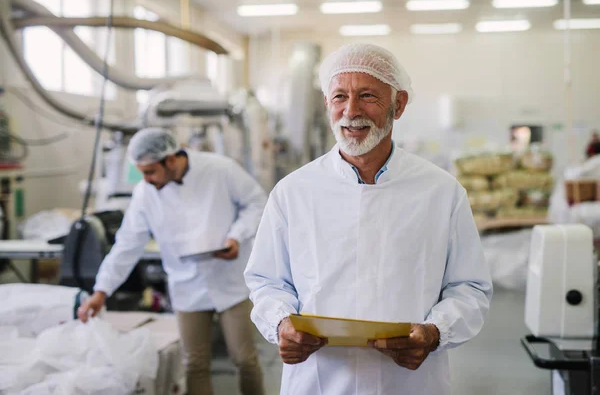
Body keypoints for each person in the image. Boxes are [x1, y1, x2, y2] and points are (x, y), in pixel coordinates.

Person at [244, 43, 493, 395]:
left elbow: (470, 287)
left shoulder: (441, 192)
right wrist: (281, 322)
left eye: (367, 96)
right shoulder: (293, 192)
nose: (351, 111)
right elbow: (267, 281)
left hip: (409, 379)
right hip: (319, 378)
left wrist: (435, 332)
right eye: (339, 97)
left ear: (399, 104)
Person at [78, 128, 266, 395]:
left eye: (150, 171)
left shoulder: (220, 169)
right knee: (194, 364)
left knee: (245, 360)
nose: (145, 179)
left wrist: (237, 236)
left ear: (170, 159)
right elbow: (127, 244)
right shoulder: (145, 193)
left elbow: (257, 204)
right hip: (186, 284)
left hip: (230, 279)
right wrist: (101, 291)